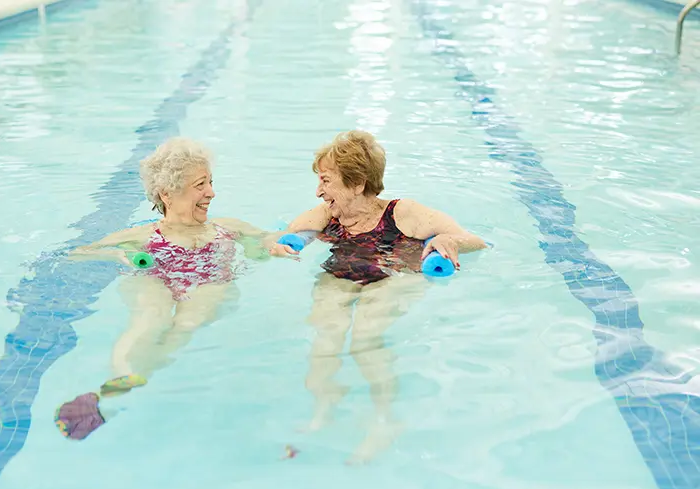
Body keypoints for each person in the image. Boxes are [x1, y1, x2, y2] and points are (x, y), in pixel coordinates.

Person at [271, 130, 486, 463]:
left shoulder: (403, 214)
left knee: (364, 337)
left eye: (326, 181)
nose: (318, 191)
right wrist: (278, 246)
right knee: (324, 337)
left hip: (393, 275)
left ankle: (386, 420)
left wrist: (451, 243)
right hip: (341, 275)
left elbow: (473, 240)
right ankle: (325, 408)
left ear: (357, 183)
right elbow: (280, 238)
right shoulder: (327, 215)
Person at [55, 137, 272, 440]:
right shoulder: (142, 235)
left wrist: (273, 246)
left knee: (186, 322)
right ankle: (120, 378)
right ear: (167, 194)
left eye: (210, 182)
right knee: (150, 316)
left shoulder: (226, 227)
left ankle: (115, 397)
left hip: (208, 282)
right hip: (156, 277)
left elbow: (269, 241)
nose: (211, 192)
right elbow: (77, 253)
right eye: (200, 185)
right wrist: (120, 254)